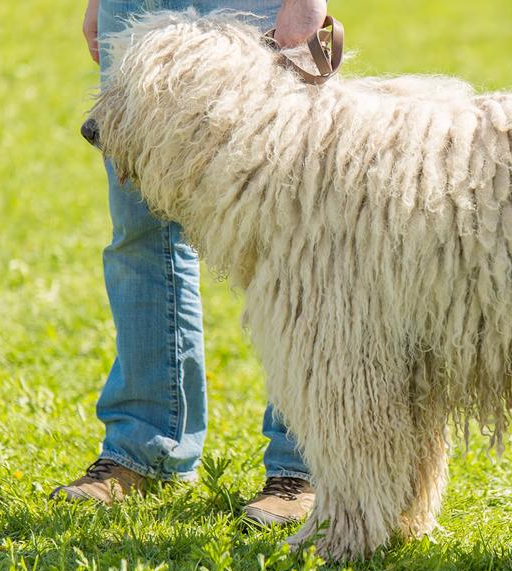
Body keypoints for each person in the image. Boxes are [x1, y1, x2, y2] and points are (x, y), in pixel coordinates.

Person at [50, 0, 328, 528]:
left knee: (299, 242)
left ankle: (306, 464)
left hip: (259, 8)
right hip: (135, 9)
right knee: (140, 231)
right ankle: (146, 449)